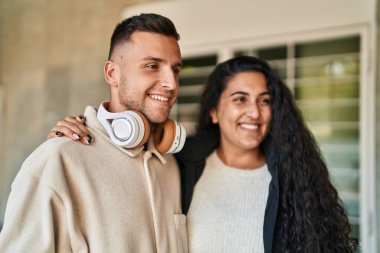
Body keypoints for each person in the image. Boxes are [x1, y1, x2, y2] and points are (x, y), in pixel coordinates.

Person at [48, 56, 358, 252]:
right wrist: (80, 134)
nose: (254, 112)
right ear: (213, 111)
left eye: (265, 101)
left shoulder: (294, 175)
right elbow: (120, 176)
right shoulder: (181, 166)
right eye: (240, 99)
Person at [0, 13, 188, 253]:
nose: (171, 84)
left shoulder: (170, 165)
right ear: (112, 74)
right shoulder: (56, 161)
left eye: (175, 69)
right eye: (152, 66)